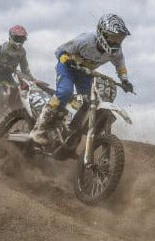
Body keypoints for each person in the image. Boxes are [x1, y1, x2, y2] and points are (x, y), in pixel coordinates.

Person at [29, 13, 134, 145]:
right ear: (103, 34)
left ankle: (67, 127)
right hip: (68, 67)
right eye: (114, 38)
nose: (117, 42)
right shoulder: (85, 40)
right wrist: (65, 59)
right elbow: (59, 51)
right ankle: (39, 128)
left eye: (120, 39)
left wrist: (125, 80)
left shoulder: (116, 52)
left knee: (88, 102)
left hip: (85, 73)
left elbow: (120, 64)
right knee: (65, 92)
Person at [0, 25, 35, 111]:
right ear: (11, 37)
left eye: (21, 39)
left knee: (18, 95)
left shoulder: (22, 52)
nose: (19, 42)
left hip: (9, 77)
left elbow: (25, 68)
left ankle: (13, 116)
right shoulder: (3, 48)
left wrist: (32, 79)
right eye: (17, 38)